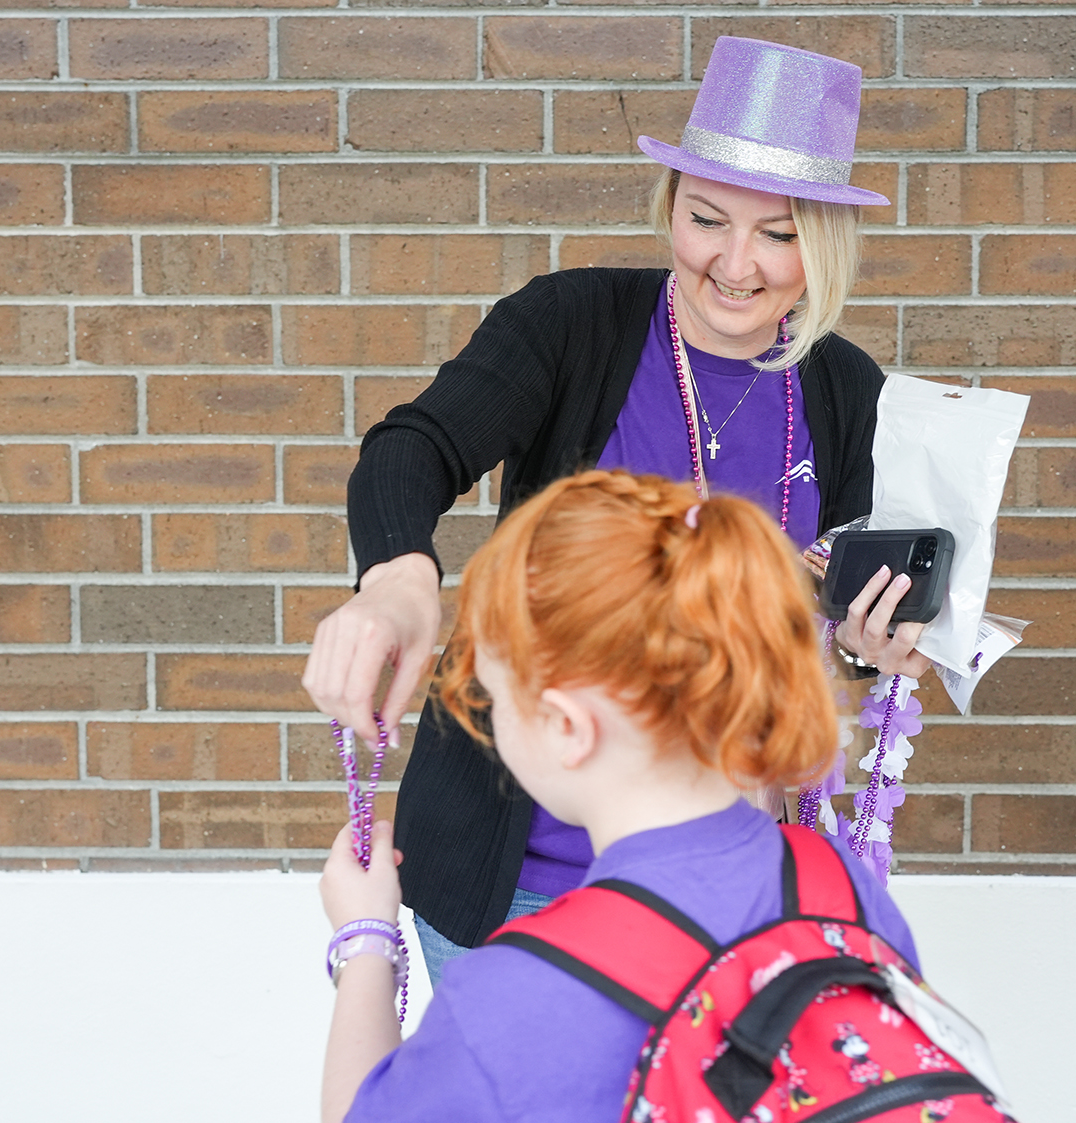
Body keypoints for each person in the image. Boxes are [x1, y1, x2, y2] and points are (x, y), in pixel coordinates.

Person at [302, 36, 934, 979]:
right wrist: (397, 584)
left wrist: (865, 644)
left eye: (779, 233)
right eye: (707, 219)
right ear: (669, 206)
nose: (735, 263)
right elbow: (413, 447)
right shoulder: (569, 325)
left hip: (718, 883)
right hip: (512, 874)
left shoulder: (843, 389)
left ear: (825, 242)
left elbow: (826, 612)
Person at [317, 471, 930, 1122]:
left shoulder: (513, 990)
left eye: (490, 692)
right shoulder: (838, 878)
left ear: (566, 728)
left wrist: (366, 936)